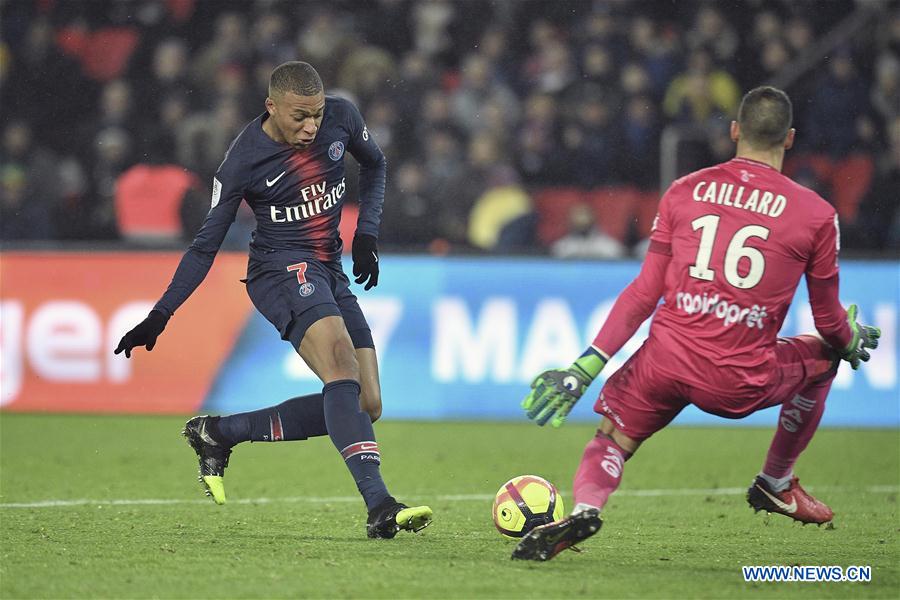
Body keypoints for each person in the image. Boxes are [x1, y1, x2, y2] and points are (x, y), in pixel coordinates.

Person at [513, 86, 880, 561]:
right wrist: (849, 340)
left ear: (735, 131)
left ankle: (586, 508)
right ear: (789, 138)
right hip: (737, 378)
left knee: (611, 439)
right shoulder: (816, 215)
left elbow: (645, 290)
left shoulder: (685, 190)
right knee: (825, 358)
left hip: (665, 362)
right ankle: (775, 480)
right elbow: (829, 320)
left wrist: (584, 368)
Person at [114, 61, 432, 539]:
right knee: (341, 365)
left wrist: (366, 233)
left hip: (328, 268)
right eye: (299, 116)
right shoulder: (243, 159)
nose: (311, 126)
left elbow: (376, 164)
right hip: (278, 269)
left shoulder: (342, 117)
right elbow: (204, 246)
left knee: (365, 403)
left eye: (316, 115)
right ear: (272, 107)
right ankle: (380, 504)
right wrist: (161, 313)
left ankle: (219, 433)